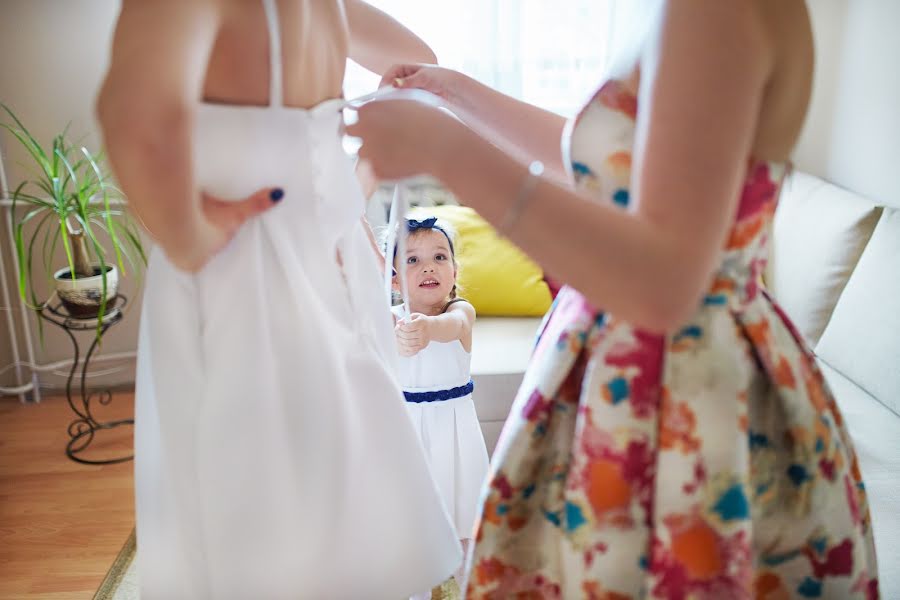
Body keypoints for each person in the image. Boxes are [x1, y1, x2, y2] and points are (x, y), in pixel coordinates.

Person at [348, 1, 880, 597]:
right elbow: (608, 167)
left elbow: (664, 283)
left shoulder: (715, 13)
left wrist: (447, 152)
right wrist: (455, 94)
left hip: (679, 391)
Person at [96, 1, 460, 597]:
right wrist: (353, 181)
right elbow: (416, 63)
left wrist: (186, 239)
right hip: (332, 252)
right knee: (338, 472)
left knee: (245, 491)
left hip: (242, 262)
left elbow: (129, 112)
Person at [389, 216, 489, 595]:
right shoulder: (391, 318)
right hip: (409, 435)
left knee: (463, 522)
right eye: (412, 260)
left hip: (455, 435)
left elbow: (453, 327)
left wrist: (428, 329)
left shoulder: (460, 312)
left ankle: (471, 587)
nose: (429, 266)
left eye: (439, 257)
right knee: (411, 525)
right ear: (395, 279)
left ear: (454, 271)